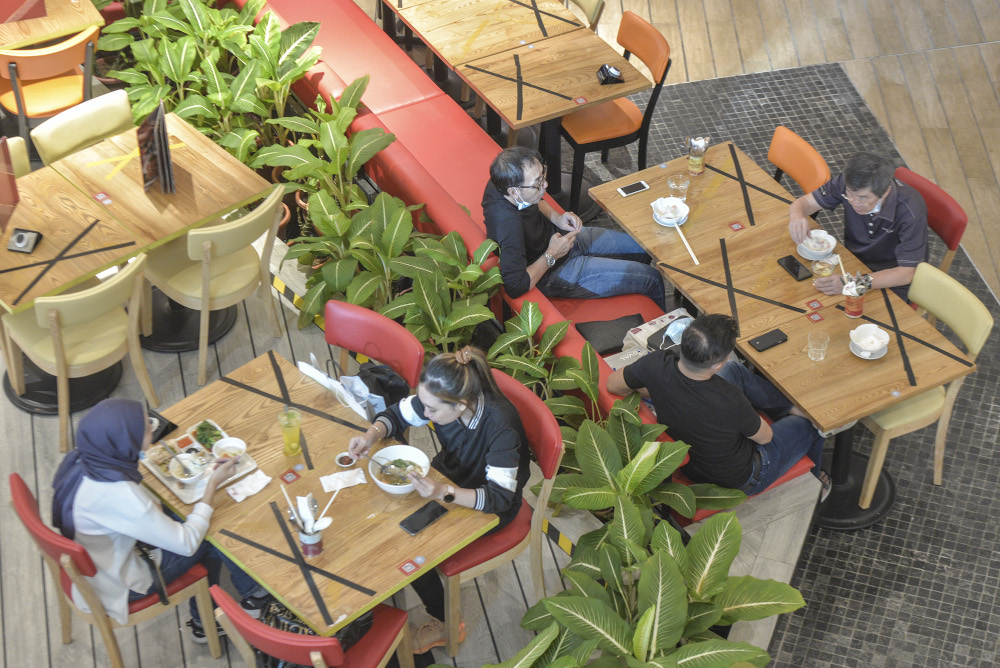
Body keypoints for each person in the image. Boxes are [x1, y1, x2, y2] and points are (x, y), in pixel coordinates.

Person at [348, 346, 529, 654]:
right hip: (448, 479)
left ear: (460, 406)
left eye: (431, 410)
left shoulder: (501, 427)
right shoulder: (440, 397)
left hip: (487, 506)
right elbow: (397, 414)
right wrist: (371, 434)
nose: (424, 413)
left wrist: (443, 493)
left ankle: (446, 624)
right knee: (386, 518)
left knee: (406, 543)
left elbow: (498, 498)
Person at [51, 398, 269, 643]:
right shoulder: (120, 496)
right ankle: (250, 600)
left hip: (98, 561)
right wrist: (212, 485)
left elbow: (145, 508)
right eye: (145, 428)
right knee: (212, 535)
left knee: (187, 517)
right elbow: (187, 543)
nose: (153, 428)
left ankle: (207, 617)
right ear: (125, 441)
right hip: (123, 583)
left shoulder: (81, 459)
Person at [605, 314, 827, 497]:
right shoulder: (728, 399)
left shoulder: (655, 364)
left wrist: (659, 389)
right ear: (717, 364)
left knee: (735, 372)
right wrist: (747, 417)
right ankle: (818, 485)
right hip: (742, 477)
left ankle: (786, 408)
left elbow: (614, 385)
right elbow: (765, 437)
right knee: (813, 425)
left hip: (692, 460)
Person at [483, 146, 666, 309]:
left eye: (543, 175)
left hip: (562, 237)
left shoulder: (503, 182)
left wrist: (557, 217)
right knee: (652, 279)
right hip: (554, 270)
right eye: (538, 183)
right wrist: (552, 254)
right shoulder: (508, 226)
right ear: (514, 192)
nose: (545, 184)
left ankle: (635, 294)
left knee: (643, 248)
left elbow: (534, 199)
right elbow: (515, 286)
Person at [788, 152, 928, 299]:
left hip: (889, 281)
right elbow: (806, 203)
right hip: (852, 262)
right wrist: (797, 215)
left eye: (863, 198)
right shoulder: (847, 183)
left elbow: (906, 274)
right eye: (849, 195)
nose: (854, 203)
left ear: (885, 191)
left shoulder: (911, 212)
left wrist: (852, 283)